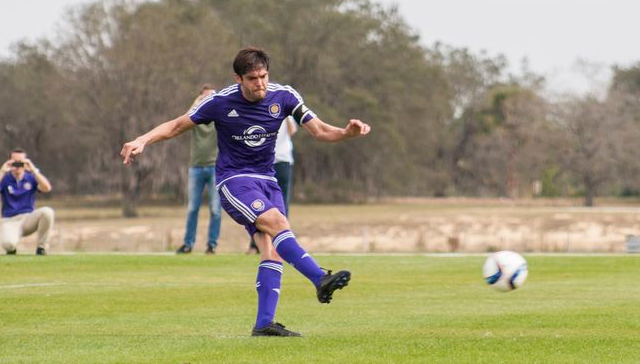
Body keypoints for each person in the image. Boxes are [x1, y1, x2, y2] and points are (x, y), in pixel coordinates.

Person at [121, 47, 371, 337]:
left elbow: (321, 131)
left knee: (273, 247)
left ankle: (264, 323)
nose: (260, 83)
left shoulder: (285, 96)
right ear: (238, 78)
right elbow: (177, 125)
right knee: (278, 224)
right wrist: (143, 139)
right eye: (252, 78)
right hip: (234, 181)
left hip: (268, 179)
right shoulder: (219, 101)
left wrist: (346, 133)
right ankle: (319, 278)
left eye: (263, 76)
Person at [176, 83, 222, 255]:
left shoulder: (218, 118)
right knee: (192, 208)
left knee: (215, 209)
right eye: (205, 97)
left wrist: (213, 99)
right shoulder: (196, 119)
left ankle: (212, 245)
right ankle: (188, 244)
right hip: (196, 167)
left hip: (215, 168)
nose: (208, 100)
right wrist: (197, 101)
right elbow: (183, 120)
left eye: (212, 96)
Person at [247, 116, 297, 254]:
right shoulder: (259, 111)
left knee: (282, 204)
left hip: (283, 161)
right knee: (259, 205)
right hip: (263, 162)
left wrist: (286, 116)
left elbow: (292, 131)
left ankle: (281, 243)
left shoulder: (286, 109)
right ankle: (256, 244)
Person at [1, 149, 54, 255]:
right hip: (10, 220)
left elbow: (47, 188)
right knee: (8, 244)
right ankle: (12, 249)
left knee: (47, 212)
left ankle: (41, 247)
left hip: (28, 218)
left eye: (20, 162)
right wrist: (2, 171)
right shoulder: (5, 179)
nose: (17, 165)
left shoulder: (30, 178)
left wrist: (34, 170)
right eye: (14, 162)